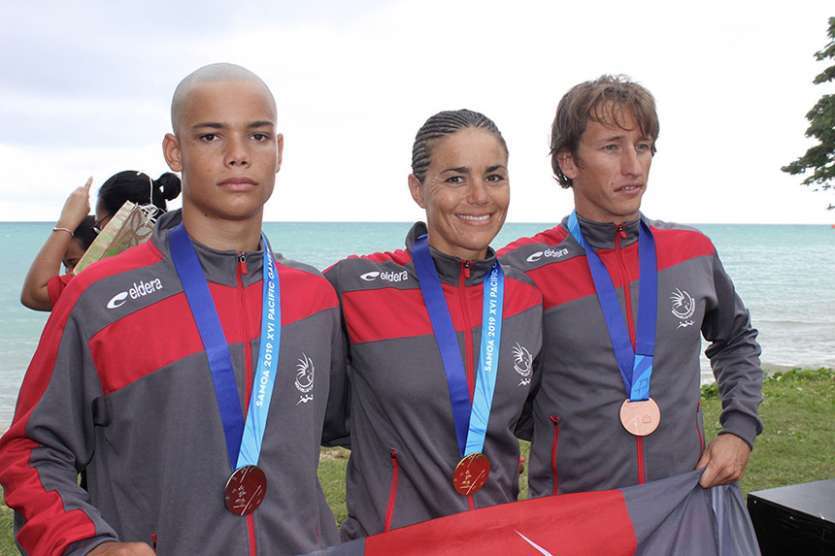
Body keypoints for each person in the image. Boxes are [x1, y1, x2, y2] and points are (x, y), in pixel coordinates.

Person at [0, 63, 344, 555]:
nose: (238, 155)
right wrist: (87, 544)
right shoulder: (98, 298)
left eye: (258, 136)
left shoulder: (313, 296)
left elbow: (363, 421)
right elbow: (33, 450)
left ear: (279, 151)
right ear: (174, 151)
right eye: (210, 136)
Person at [499, 75, 763, 497]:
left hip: (684, 495)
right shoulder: (521, 268)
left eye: (643, 147)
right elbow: (499, 385)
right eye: (611, 147)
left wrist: (739, 429)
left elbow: (735, 340)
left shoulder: (690, 251)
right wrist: (564, 430)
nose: (633, 166)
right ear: (569, 162)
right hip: (576, 509)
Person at [324, 109, 543, 538]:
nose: (479, 195)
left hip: (492, 544)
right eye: (456, 178)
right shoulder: (354, 286)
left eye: (494, 177)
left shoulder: (526, 296)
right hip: (387, 544)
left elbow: (531, 415)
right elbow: (310, 408)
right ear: (417, 188)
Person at [20, 171, 181, 310]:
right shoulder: (182, 257)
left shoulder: (110, 276)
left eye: (99, 226)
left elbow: (34, 294)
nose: (99, 235)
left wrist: (67, 222)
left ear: (122, 217)